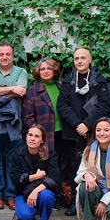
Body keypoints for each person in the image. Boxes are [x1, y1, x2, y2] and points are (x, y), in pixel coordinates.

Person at [57, 48, 110, 217]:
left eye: (83, 58)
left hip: (94, 133)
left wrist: (87, 124)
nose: (79, 61)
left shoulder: (99, 82)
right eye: (76, 58)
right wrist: (77, 124)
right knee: (74, 168)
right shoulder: (68, 82)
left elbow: (105, 105)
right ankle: (76, 202)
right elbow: (62, 105)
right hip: (72, 134)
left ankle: (99, 201)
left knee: (96, 167)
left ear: (90, 60)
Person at [0, 43, 27, 210]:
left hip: (13, 125)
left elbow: (21, 92)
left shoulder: (21, 72)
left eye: (8, 54)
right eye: (1, 54)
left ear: (13, 56)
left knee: (12, 163)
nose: (4, 57)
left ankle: (10, 195)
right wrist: (11, 90)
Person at [22, 58, 63, 207]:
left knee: (61, 166)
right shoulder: (33, 91)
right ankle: (48, 196)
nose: (46, 71)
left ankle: (59, 196)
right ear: (38, 72)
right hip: (45, 135)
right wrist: (36, 135)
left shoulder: (60, 87)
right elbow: (28, 118)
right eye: (42, 69)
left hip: (61, 134)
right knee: (46, 166)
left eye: (49, 68)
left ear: (54, 71)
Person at [11, 125, 59, 220]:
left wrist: (36, 191)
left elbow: (54, 177)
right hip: (23, 193)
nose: (32, 138)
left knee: (46, 196)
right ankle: (31, 218)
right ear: (26, 137)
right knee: (26, 217)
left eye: (37, 136)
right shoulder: (18, 154)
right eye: (30, 135)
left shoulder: (51, 154)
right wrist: (36, 176)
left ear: (42, 140)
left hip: (42, 192)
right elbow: (15, 178)